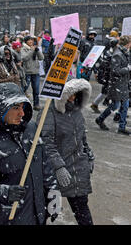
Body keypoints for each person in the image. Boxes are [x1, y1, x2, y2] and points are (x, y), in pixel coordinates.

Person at [0, 82, 57, 225]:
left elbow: (45, 166)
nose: (21, 113)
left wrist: (54, 194)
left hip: (38, 214)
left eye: (22, 107)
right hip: (8, 218)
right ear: (0, 109)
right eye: (15, 108)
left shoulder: (32, 128)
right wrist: (4, 192)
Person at [38, 77, 94, 225]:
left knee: (82, 209)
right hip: (56, 172)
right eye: (69, 93)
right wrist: (58, 166)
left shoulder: (76, 110)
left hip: (78, 170)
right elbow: (45, 142)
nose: (73, 97)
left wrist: (88, 153)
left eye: (76, 93)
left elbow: (82, 137)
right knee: (49, 210)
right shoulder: (49, 112)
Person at [95, 35, 131, 135]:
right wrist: (127, 68)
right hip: (117, 85)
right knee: (115, 105)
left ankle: (122, 126)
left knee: (125, 104)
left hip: (123, 84)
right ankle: (100, 119)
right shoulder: (118, 54)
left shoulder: (124, 53)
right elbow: (115, 71)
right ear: (127, 44)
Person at [90, 38, 118, 113]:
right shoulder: (111, 53)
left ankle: (95, 104)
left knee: (105, 92)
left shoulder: (110, 52)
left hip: (107, 76)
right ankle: (120, 111)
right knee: (107, 93)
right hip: (108, 76)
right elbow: (107, 66)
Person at [22, 36, 44, 110]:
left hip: (36, 72)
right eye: (29, 40)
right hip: (27, 72)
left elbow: (41, 58)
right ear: (26, 41)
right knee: (24, 88)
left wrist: (37, 51)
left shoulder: (35, 48)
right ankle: (21, 104)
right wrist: (31, 51)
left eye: (32, 40)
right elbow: (24, 58)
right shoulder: (24, 49)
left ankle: (36, 104)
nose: (31, 41)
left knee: (36, 90)